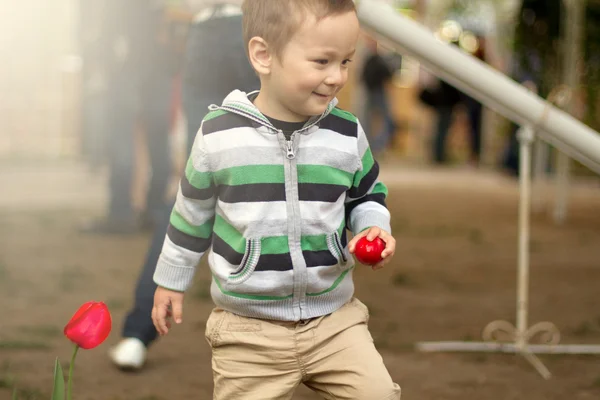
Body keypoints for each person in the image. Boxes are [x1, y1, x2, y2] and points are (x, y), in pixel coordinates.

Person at [151, 1, 401, 399]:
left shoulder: (347, 133)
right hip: (249, 331)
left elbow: (366, 194)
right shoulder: (218, 136)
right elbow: (191, 214)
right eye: (322, 61)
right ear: (263, 55)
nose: (337, 77)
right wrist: (170, 280)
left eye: (346, 61)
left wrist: (374, 225)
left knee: (379, 394)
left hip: (334, 320)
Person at [109, 0, 258, 370]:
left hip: (204, 29)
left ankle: (137, 333)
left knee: (196, 190)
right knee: (268, 181)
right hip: (261, 24)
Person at [80, 0, 177, 234]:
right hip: (160, 61)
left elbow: (111, 18)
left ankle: (121, 214)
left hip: (127, 60)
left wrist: (104, 57)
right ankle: (155, 213)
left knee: (123, 136)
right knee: (158, 137)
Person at [360, 37, 396, 156]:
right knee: (368, 120)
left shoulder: (379, 59)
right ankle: (371, 146)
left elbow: (388, 74)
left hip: (378, 92)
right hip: (372, 92)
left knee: (385, 120)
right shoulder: (371, 59)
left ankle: (377, 145)